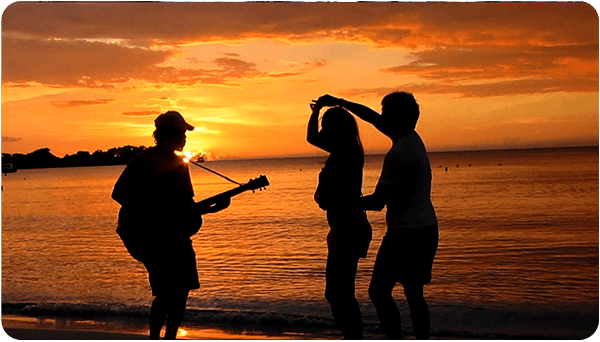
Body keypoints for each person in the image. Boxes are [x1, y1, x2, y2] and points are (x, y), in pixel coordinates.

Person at [317, 92, 439, 340]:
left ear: (397, 117)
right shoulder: (412, 138)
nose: (380, 117)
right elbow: (371, 117)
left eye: (386, 113)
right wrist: (341, 102)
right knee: (414, 294)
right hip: (427, 228)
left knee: (379, 292)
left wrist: (341, 202)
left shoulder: (398, 154)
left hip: (405, 234)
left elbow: (378, 202)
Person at [111, 111, 231, 340]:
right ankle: (154, 338)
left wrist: (212, 208)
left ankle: (171, 338)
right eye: (182, 132)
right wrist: (153, 210)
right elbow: (119, 193)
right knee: (166, 293)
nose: (185, 137)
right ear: (168, 133)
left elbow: (185, 206)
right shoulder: (144, 160)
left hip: (174, 234)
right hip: (148, 235)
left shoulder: (180, 163)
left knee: (182, 290)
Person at [307, 101, 372, 339]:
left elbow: (339, 195)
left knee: (338, 293)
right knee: (339, 293)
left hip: (349, 227)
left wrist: (323, 197)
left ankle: (354, 337)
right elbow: (312, 137)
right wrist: (316, 112)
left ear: (337, 129)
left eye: (326, 125)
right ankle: (353, 336)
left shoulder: (347, 152)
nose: (322, 130)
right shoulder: (343, 150)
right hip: (344, 227)